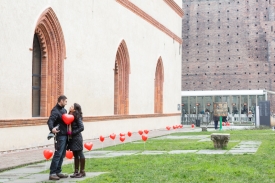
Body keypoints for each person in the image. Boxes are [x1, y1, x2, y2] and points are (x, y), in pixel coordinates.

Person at [47, 95, 68, 181]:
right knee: (58, 154)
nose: (66, 103)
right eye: (65, 101)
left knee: (62, 154)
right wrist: (52, 129)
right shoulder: (55, 111)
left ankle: (58, 172)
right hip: (59, 136)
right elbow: (50, 121)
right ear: (61, 101)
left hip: (65, 135)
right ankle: (52, 173)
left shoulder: (64, 110)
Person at [67, 103, 86, 178]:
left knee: (80, 153)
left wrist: (72, 133)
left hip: (77, 138)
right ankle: (76, 171)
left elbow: (81, 127)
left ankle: (82, 171)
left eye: (72, 106)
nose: (70, 107)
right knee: (75, 155)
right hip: (72, 138)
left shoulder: (77, 117)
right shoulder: (69, 116)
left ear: (74, 109)